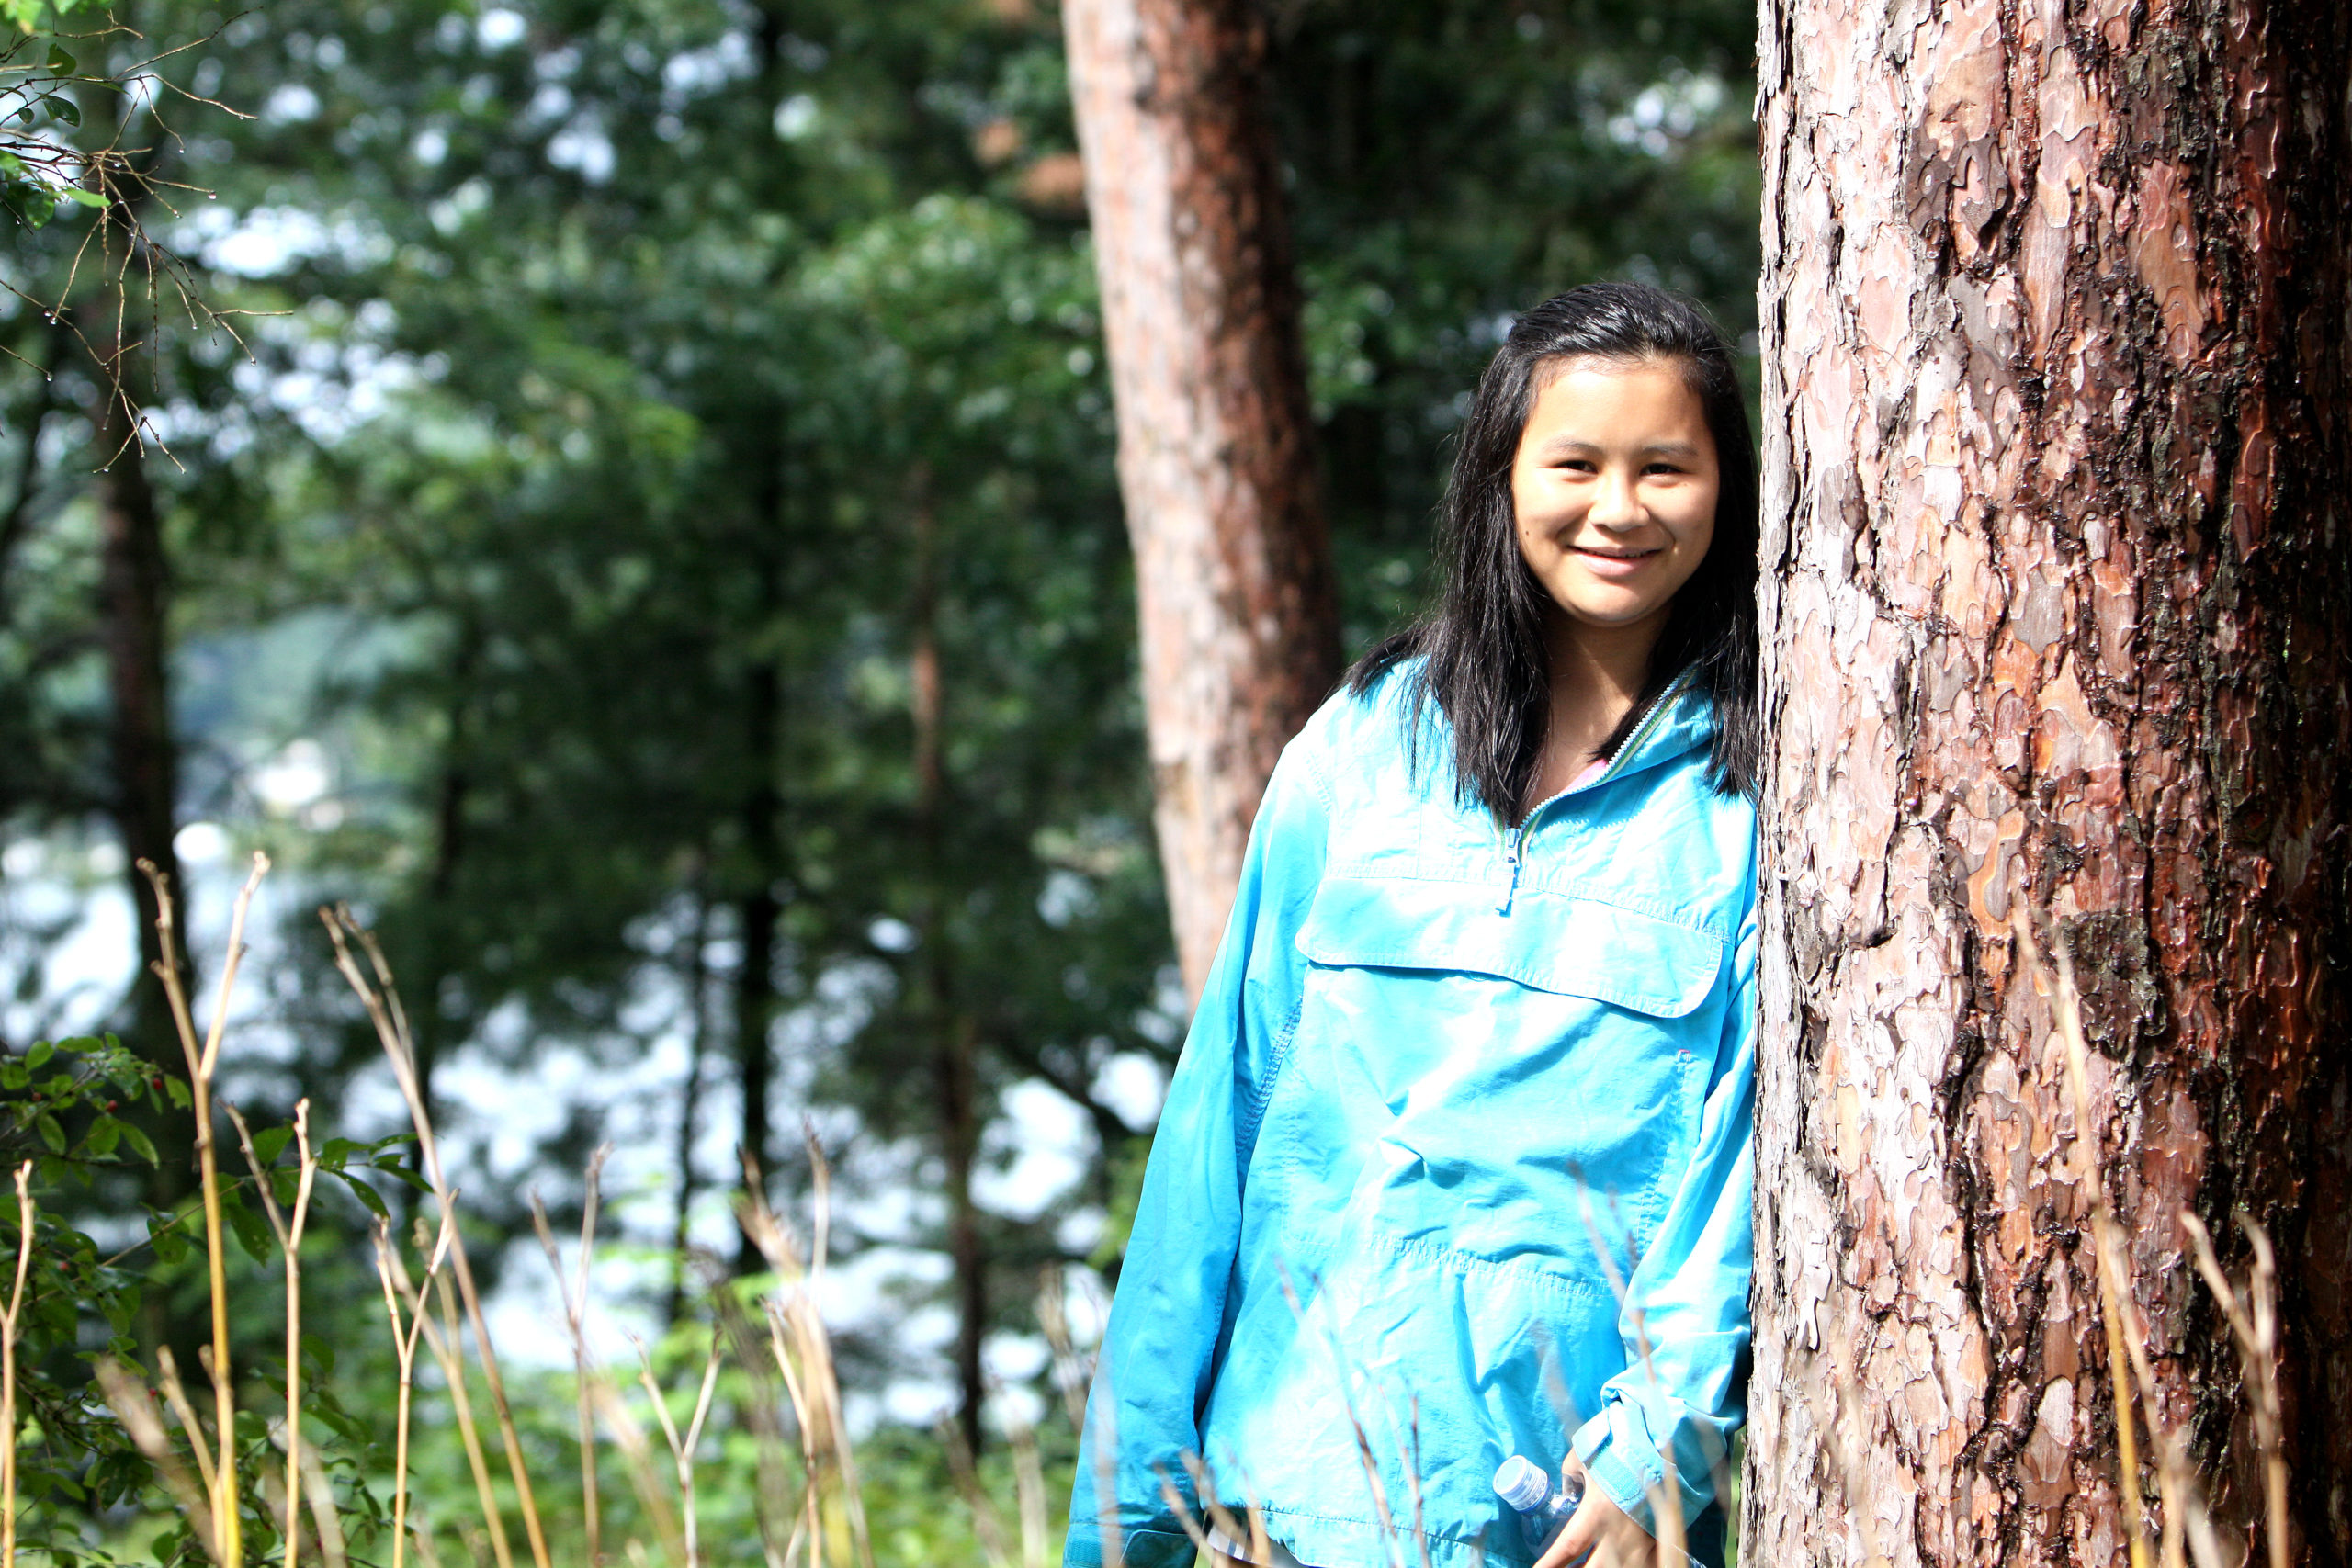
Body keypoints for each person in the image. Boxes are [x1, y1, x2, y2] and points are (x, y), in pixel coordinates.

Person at [1062, 282, 1759, 1568]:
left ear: (1727, 491)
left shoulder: (1762, 797)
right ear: (1503, 479)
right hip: (1299, 1497)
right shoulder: (1363, 746)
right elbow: (1227, 1112)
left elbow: (1748, 1158)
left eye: (1665, 466)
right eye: (1575, 464)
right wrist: (1129, 1515)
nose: (1618, 508)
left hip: (1572, 1514)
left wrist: (1661, 1446)